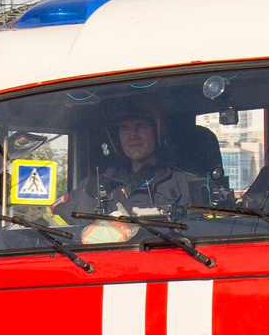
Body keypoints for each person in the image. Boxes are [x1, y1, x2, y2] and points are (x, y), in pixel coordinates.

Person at [82, 99, 212, 236]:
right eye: (124, 128)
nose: (133, 135)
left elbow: (207, 234)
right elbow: (71, 227)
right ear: (117, 138)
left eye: (141, 126)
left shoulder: (187, 186)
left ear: (157, 132)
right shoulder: (96, 186)